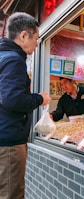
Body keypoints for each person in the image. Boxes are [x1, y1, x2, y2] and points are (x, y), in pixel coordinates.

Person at [0, 12, 51, 199]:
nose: (37, 44)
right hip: (9, 143)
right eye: (36, 38)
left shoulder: (3, 56)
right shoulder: (14, 60)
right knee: (11, 193)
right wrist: (39, 99)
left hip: (4, 136)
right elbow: (12, 99)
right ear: (23, 36)